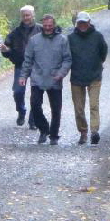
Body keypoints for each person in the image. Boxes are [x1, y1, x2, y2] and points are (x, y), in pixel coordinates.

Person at [19, 15, 71, 145]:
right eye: (45, 25)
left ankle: (54, 135)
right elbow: (28, 60)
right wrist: (23, 76)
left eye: (50, 25)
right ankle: (44, 129)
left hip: (55, 78)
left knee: (56, 109)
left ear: (54, 25)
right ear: (42, 25)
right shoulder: (34, 40)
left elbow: (67, 59)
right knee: (35, 105)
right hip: (38, 78)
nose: (48, 28)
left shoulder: (62, 40)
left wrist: (61, 73)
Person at [68, 11, 108, 145]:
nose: (82, 25)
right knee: (79, 109)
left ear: (89, 23)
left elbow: (103, 52)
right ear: (76, 24)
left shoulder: (98, 36)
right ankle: (83, 132)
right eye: (80, 23)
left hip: (94, 76)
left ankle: (94, 132)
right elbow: (67, 56)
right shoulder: (71, 38)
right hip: (77, 76)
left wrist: (98, 64)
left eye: (85, 22)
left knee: (94, 105)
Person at [1, 5, 42, 130]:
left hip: (37, 67)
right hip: (20, 65)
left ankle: (33, 120)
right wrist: (6, 50)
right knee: (18, 92)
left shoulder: (41, 29)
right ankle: (21, 110)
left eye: (28, 15)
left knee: (36, 95)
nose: (26, 18)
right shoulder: (15, 32)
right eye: (24, 15)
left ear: (33, 15)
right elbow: (6, 48)